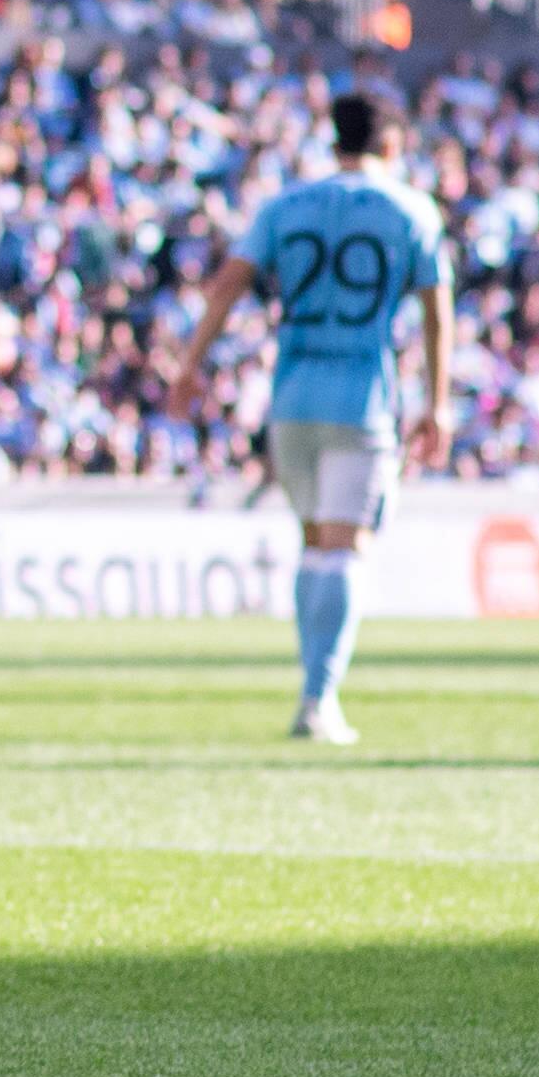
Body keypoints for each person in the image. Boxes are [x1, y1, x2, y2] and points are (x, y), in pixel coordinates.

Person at [165, 86, 453, 743]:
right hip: (362, 399)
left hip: (291, 398)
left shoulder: (284, 206)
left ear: (334, 140)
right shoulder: (411, 209)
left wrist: (190, 364)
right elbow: (437, 311)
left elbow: (228, 284)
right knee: (345, 547)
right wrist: (436, 404)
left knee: (315, 544)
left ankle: (313, 690)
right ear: (391, 144)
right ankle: (319, 698)